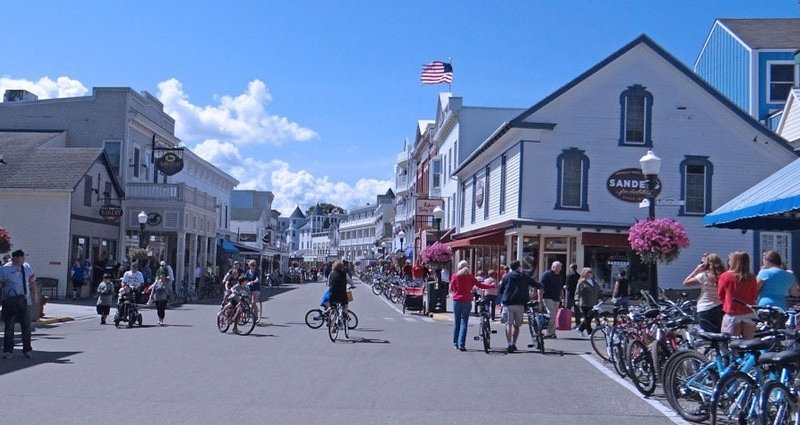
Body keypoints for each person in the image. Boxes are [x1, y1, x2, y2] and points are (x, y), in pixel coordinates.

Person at [0, 250, 37, 358]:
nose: (23, 259)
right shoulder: (5, 268)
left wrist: (35, 295)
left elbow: (32, 282)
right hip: (11, 301)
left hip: (25, 301)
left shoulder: (26, 267)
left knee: (26, 326)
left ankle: (27, 350)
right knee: (9, 327)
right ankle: (8, 351)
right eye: (21, 257)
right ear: (15, 258)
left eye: (24, 257)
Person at [450, 260, 494, 351]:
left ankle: (456, 343)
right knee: (464, 323)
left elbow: (452, 288)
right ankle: (462, 344)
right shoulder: (470, 277)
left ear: (458, 268)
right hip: (467, 301)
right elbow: (480, 285)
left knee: (457, 323)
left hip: (457, 301)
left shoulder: (455, 276)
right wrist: (490, 286)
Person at [497, 260, 540, 353]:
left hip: (508, 302)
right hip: (520, 303)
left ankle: (509, 344)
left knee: (508, 324)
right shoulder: (523, 276)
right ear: (518, 267)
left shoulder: (506, 277)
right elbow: (535, 284)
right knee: (517, 325)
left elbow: (501, 289)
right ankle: (514, 343)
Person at [718, 251, 757, 339]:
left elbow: (721, 295)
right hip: (748, 312)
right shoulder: (752, 277)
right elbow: (754, 295)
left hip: (732, 312)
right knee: (749, 342)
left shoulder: (725, 276)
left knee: (732, 343)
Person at [683, 253, 725, 333]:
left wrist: (697, 270)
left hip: (705, 307)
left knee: (708, 336)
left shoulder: (702, 276)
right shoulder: (723, 276)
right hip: (720, 307)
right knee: (720, 334)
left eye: (702, 263)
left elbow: (686, 283)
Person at [538, 261, 563, 339]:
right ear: (553, 267)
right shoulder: (546, 275)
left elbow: (560, 287)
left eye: (560, 268)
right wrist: (540, 298)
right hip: (548, 297)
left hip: (556, 297)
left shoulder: (559, 276)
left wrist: (562, 296)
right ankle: (548, 332)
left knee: (554, 315)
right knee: (552, 313)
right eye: (558, 268)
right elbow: (540, 287)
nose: (559, 269)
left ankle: (552, 332)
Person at [575, 267, 600, 337]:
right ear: (585, 273)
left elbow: (598, 290)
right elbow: (577, 292)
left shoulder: (594, 281)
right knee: (587, 318)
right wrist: (576, 299)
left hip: (593, 303)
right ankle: (590, 333)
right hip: (585, 303)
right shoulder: (582, 282)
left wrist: (601, 296)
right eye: (588, 272)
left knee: (590, 318)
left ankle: (580, 328)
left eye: (591, 272)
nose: (590, 274)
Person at [564, 263, 581, 328]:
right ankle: (578, 323)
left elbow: (567, 286)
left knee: (568, 309)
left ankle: (567, 322)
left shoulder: (569, 275)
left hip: (570, 294)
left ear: (571, 268)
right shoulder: (579, 276)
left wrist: (565, 287)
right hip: (576, 294)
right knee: (577, 310)